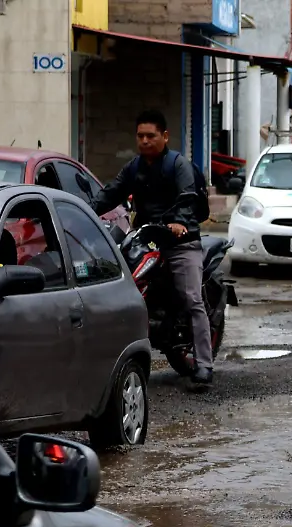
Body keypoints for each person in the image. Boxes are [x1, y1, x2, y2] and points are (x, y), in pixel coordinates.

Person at [90, 109, 214, 387]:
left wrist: (178, 223)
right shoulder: (133, 168)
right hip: (146, 238)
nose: (145, 141)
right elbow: (110, 194)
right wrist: (84, 212)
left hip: (180, 241)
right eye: (140, 136)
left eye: (151, 135)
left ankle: (204, 364)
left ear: (165, 136)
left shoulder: (178, 165)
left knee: (192, 299)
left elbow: (188, 198)